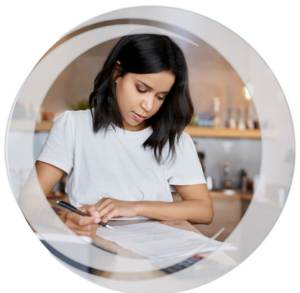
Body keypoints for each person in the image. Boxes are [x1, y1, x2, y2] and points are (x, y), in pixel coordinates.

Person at [35, 34, 214, 237]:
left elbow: (204, 211)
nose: (148, 106)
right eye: (141, 89)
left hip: (157, 251)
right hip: (92, 250)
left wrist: (135, 207)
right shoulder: (74, 126)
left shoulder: (175, 140)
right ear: (117, 73)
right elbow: (29, 199)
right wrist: (63, 218)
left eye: (160, 97)